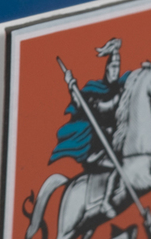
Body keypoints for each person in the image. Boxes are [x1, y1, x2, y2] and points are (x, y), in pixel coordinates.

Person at [51, 38, 126, 218]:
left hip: (114, 146)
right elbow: (82, 104)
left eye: (118, 67)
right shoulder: (95, 90)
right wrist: (72, 87)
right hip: (96, 151)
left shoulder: (121, 90)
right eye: (112, 66)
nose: (115, 71)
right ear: (106, 69)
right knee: (119, 168)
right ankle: (106, 202)